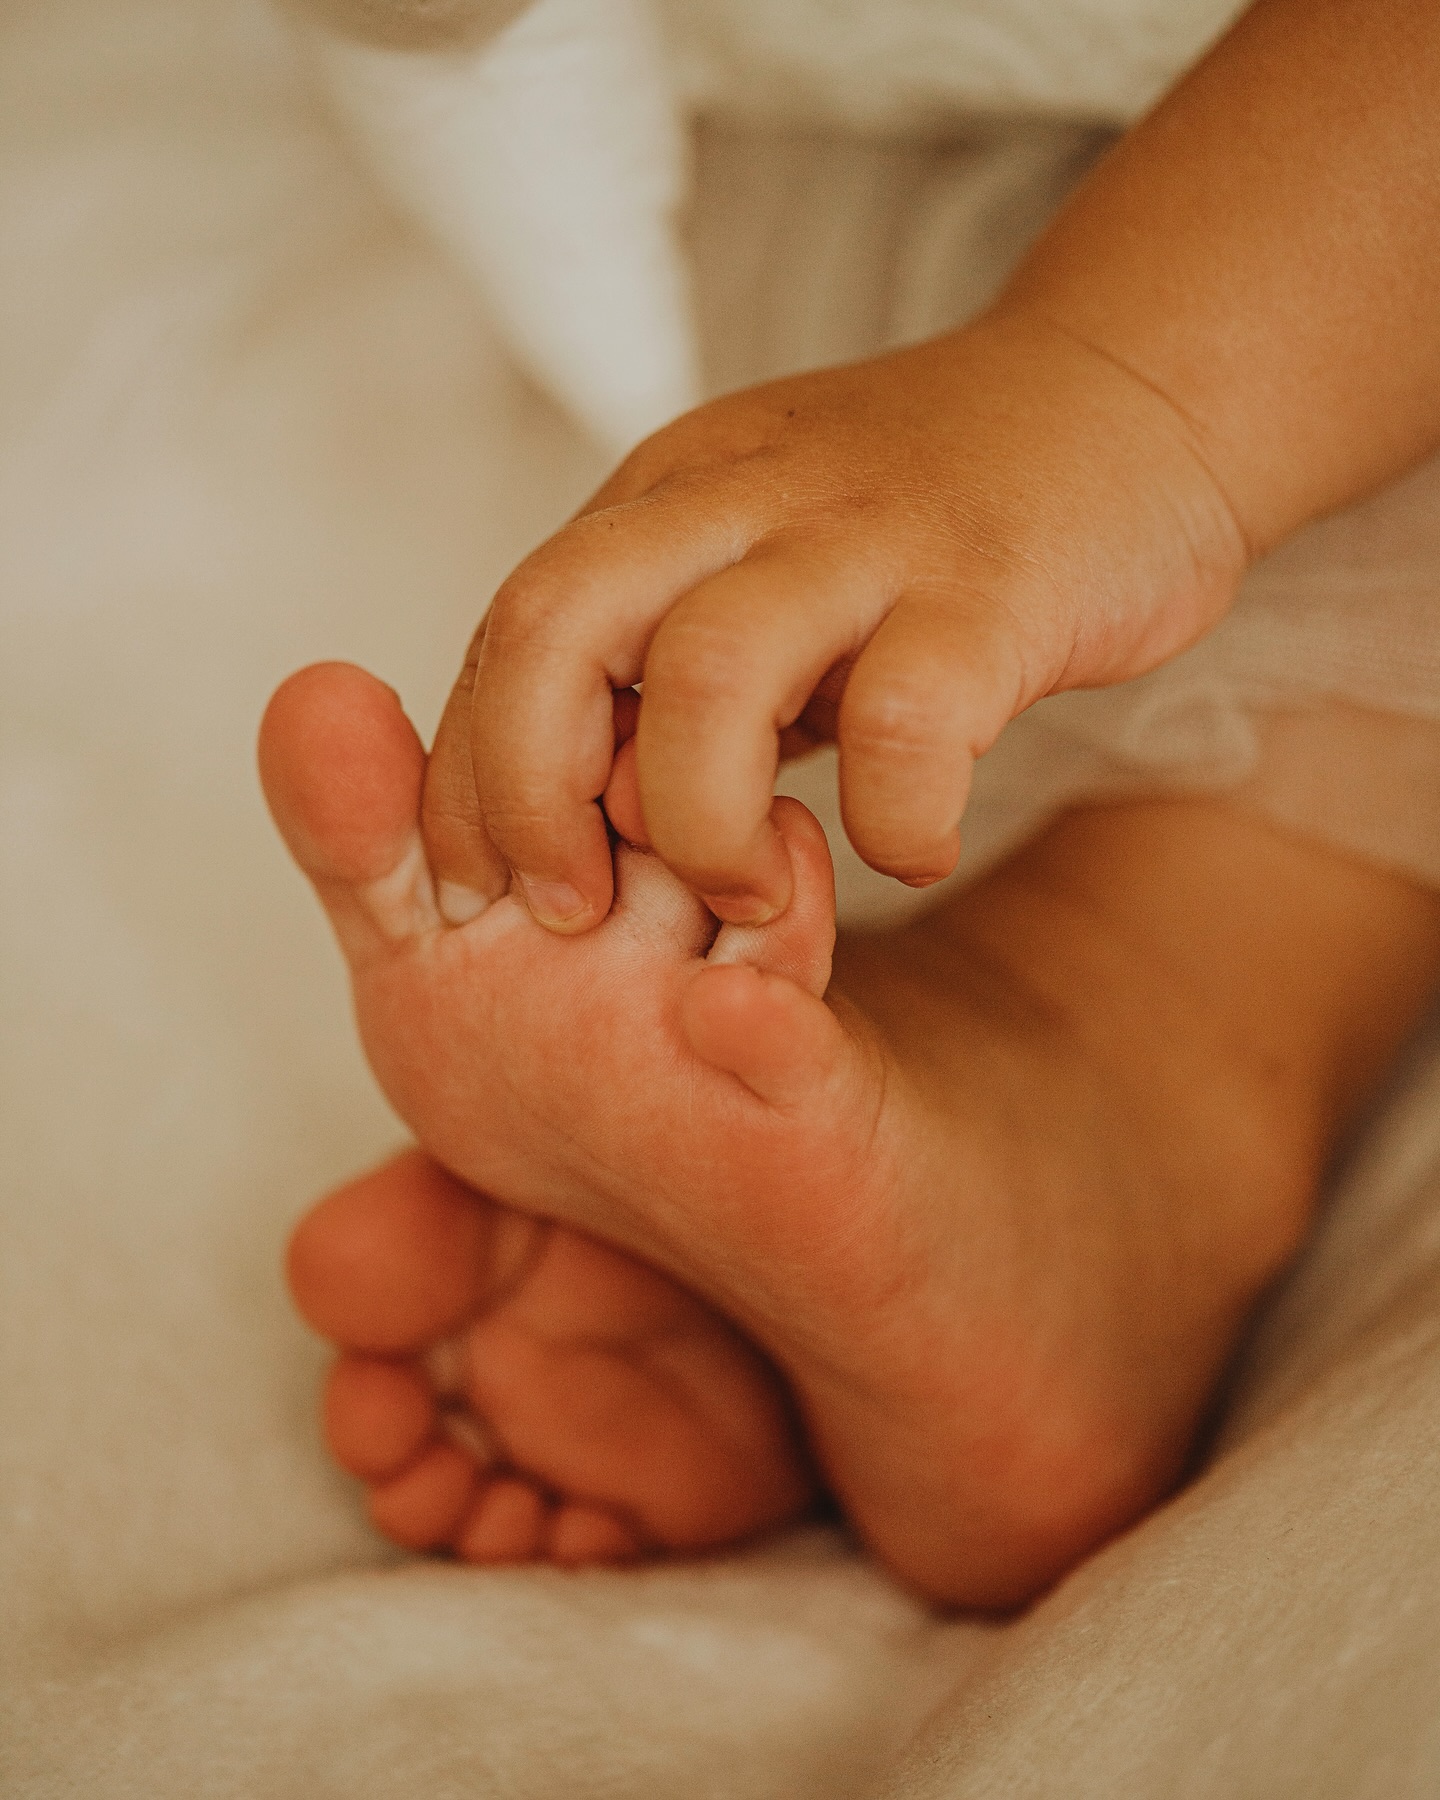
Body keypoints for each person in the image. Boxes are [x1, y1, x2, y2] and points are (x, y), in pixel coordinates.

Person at [261, 0, 1440, 1606]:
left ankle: (1124, 1082)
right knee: (875, 503)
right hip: (881, 141)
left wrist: (1118, 385)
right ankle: (1078, 1083)